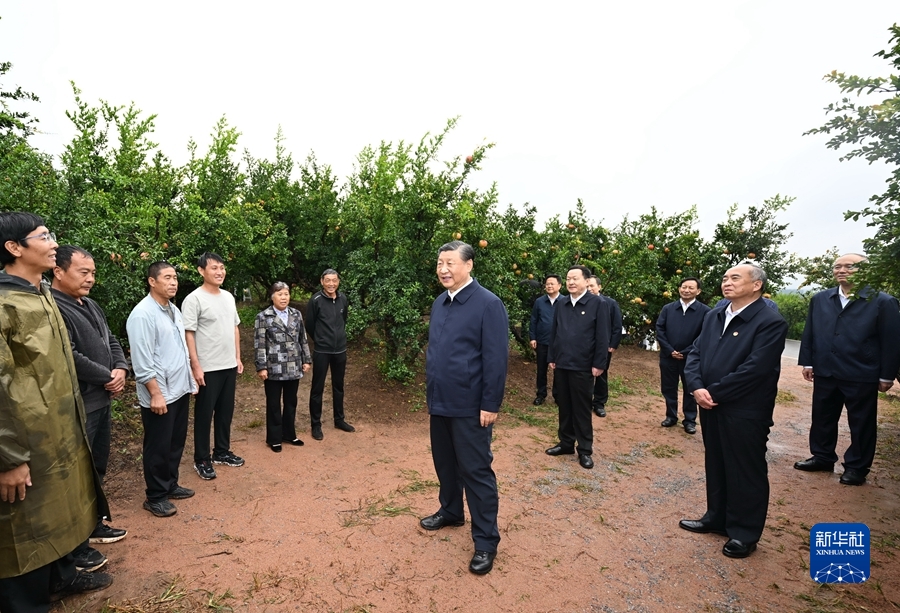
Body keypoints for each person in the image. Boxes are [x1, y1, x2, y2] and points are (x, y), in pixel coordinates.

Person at [0, 212, 112, 612]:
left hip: (61, 429)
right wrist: (9, 458)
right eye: (43, 236)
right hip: (25, 441)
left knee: (62, 508)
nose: (52, 243)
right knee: (25, 526)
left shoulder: (43, 294)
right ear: (15, 248)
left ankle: (62, 578)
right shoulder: (5, 303)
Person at [680, 262, 788, 559]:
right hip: (708, 403)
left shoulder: (769, 321)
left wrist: (713, 392)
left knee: (745, 469)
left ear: (756, 285)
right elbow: (696, 352)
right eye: (725, 278)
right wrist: (696, 386)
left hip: (744, 408)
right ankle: (716, 518)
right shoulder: (716, 314)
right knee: (716, 461)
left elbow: (756, 369)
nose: (727, 282)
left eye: (735, 278)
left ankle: (743, 533)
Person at [418, 241, 508, 576]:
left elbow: (496, 359)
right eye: (440, 262)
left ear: (468, 266)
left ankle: (486, 541)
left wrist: (489, 403)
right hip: (440, 401)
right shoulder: (440, 302)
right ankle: (452, 511)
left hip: (471, 406)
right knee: (445, 463)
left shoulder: (488, 304)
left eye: (450, 263)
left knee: (476, 471)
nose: (443, 269)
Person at [51, 245, 129, 573]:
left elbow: (111, 339)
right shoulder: (54, 307)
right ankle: (76, 548)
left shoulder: (91, 304)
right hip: (80, 405)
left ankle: (95, 524)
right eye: (84, 272)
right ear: (58, 271)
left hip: (102, 400)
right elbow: (68, 355)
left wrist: (122, 368)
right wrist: (106, 376)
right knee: (77, 477)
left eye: (93, 273)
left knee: (96, 468)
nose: (91, 279)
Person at [794, 253, 900, 486]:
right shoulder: (821, 299)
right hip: (825, 369)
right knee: (822, 416)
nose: (841, 270)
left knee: (861, 422)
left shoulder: (883, 301)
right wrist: (808, 362)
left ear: (865, 271)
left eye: (849, 266)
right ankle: (822, 456)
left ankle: (856, 467)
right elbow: (810, 331)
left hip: (861, 371)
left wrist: (886, 375)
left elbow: (892, 342)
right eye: (837, 266)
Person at [127, 261, 197, 517]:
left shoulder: (172, 310)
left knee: (175, 442)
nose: (173, 282)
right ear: (152, 281)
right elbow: (142, 361)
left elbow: (178, 350)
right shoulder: (143, 314)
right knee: (158, 445)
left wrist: (189, 380)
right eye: (167, 277)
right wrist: (155, 393)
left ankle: (170, 484)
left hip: (178, 389)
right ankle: (155, 496)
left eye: (175, 277)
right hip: (160, 393)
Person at [182, 252, 244, 480]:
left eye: (222, 268)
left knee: (225, 412)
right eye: (214, 268)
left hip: (228, 365)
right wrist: (195, 365)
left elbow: (235, 327)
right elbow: (189, 333)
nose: (220, 272)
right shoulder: (194, 299)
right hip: (207, 367)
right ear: (201, 271)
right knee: (204, 414)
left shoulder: (228, 296)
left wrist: (237, 357)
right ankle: (202, 458)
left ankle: (221, 451)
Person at [545, 265, 610, 470]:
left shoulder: (597, 303)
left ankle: (584, 450)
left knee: (581, 409)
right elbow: (554, 331)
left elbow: (602, 336)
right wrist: (552, 356)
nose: (571, 282)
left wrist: (599, 363)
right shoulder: (562, 303)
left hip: (583, 366)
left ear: (586, 281)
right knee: (564, 406)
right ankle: (566, 443)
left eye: (575, 278)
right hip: (562, 363)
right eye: (568, 279)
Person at [255, 281, 312, 452]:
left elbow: (303, 338)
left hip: (293, 365)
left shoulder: (296, 314)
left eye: (286, 294)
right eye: (280, 294)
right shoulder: (264, 316)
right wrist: (261, 366)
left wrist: (306, 360)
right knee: (273, 404)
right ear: (272, 296)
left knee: (291, 402)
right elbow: (260, 343)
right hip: (274, 367)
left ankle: (289, 434)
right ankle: (274, 438)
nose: (284, 297)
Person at [655, 277, 711, 434]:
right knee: (668, 388)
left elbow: (704, 335)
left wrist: (686, 352)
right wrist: (669, 350)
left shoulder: (705, 312)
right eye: (684, 287)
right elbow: (660, 330)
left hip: (691, 359)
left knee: (691, 390)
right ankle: (671, 416)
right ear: (679, 288)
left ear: (698, 291)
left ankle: (690, 420)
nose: (686, 290)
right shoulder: (668, 308)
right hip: (668, 357)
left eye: (691, 288)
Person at [306, 268, 354, 440]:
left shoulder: (343, 299)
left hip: (340, 349)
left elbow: (344, 320)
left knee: (338, 386)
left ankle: (339, 420)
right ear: (322, 281)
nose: (331, 284)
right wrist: (320, 339)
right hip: (322, 350)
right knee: (317, 388)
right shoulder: (316, 300)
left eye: (334, 280)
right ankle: (316, 424)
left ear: (338, 281)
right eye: (328, 280)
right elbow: (309, 324)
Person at [586, 275, 622, 417]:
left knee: (601, 374)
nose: (589, 289)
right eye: (587, 286)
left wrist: (613, 344)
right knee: (584, 374)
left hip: (603, 346)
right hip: (585, 346)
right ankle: (585, 401)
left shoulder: (609, 303)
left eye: (592, 286)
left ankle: (599, 403)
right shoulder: (581, 303)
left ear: (599, 287)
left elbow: (617, 325)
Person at [529, 274, 562, 406]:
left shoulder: (565, 301)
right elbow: (534, 320)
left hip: (559, 343)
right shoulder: (539, 302)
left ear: (559, 285)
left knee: (558, 370)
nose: (549, 286)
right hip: (542, 341)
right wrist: (533, 337)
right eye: (547, 284)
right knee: (541, 369)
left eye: (552, 283)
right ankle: (541, 394)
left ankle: (558, 395)